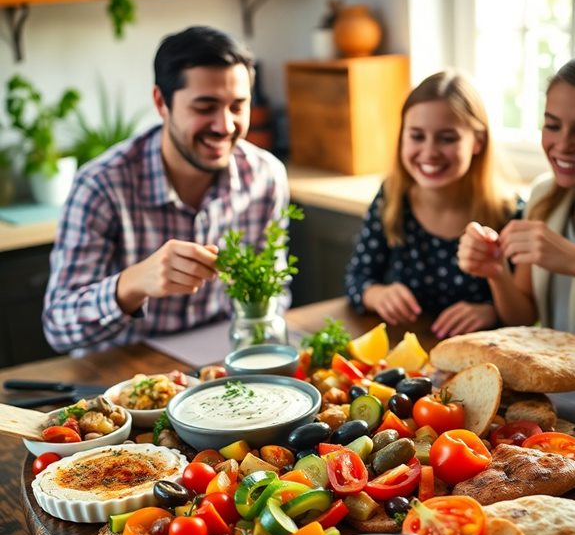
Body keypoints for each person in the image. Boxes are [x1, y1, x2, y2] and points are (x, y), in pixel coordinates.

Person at [43, 25, 290, 355]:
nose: (226, 126)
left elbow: (276, 290)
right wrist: (131, 284)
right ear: (161, 102)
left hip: (221, 368)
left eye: (237, 106)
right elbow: (58, 326)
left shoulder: (265, 176)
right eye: (205, 107)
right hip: (123, 378)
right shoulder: (102, 185)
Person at [344, 70, 523, 339]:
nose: (429, 152)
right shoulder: (392, 198)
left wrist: (491, 311)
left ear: (478, 141)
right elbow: (356, 277)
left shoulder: (510, 214)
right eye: (417, 136)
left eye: (447, 138)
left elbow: (525, 317)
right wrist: (377, 294)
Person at [458, 59, 575, 333]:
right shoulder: (544, 195)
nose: (564, 144)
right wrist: (497, 273)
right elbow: (520, 319)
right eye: (553, 126)